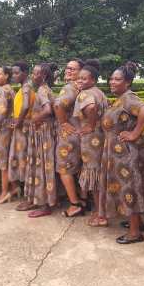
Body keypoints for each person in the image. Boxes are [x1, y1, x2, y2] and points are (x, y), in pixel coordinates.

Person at [98, 61, 144, 242]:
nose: (112, 82)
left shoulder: (129, 97)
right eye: (111, 79)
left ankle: (134, 233)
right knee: (130, 186)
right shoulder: (122, 98)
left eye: (118, 79)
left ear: (128, 82)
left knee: (129, 188)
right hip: (121, 151)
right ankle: (137, 223)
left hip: (129, 152)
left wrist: (134, 133)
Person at [73, 59, 108, 226]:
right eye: (79, 78)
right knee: (99, 176)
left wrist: (90, 125)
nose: (80, 81)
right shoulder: (98, 91)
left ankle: (101, 215)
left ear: (93, 79)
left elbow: (92, 108)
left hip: (92, 140)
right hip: (101, 138)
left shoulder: (85, 94)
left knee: (94, 178)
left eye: (84, 78)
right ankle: (100, 211)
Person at [21, 63, 57, 217]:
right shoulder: (46, 89)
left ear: (43, 76)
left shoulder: (42, 90)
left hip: (42, 133)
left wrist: (34, 119)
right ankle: (37, 200)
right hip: (44, 132)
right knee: (41, 166)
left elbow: (48, 110)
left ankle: (45, 205)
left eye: (36, 73)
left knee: (42, 167)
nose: (32, 76)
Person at [54, 59, 85, 217]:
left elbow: (58, 105)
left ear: (81, 71)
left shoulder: (69, 88)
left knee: (64, 169)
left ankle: (75, 204)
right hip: (81, 134)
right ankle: (83, 200)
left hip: (69, 135)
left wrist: (63, 122)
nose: (68, 71)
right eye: (67, 68)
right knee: (79, 168)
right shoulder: (83, 87)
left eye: (73, 69)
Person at [8, 61, 36, 209]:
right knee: (21, 161)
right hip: (22, 129)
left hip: (24, 130)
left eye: (17, 72)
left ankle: (29, 198)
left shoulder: (26, 88)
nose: (14, 75)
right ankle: (23, 193)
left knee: (25, 162)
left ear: (25, 72)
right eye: (13, 73)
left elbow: (25, 106)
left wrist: (18, 121)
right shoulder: (24, 87)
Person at [0, 66, 20, 203]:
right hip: (10, 128)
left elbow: (1, 110)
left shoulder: (3, 91)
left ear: (7, 75)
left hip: (2, 129)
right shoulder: (11, 89)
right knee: (8, 159)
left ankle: (5, 192)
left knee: (2, 162)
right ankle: (14, 187)